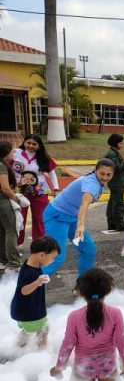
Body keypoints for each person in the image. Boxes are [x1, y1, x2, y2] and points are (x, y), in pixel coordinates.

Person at [50, 268, 124, 381]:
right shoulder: (115, 314)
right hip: (107, 364)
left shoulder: (74, 316)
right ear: (110, 289)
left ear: (80, 292)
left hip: (84, 365)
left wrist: (59, 366)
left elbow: (68, 344)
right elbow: (121, 340)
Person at [43, 159, 115, 278]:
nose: (105, 177)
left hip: (72, 216)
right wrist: (80, 226)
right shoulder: (91, 183)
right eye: (102, 173)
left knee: (88, 249)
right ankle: (28, 285)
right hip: (57, 216)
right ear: (95, 170)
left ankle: (83, 284)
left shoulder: (96, 181)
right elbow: (84, 203)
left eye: (109, 174)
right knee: (56, 256)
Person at [11, 236, 59, 348]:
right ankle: (41, 351)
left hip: (22, 310)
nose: (53, 261)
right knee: (44, 329)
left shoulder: (29, 263)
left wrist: (38, 281)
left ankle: (18, 348)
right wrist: (37, 282)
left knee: (27, 330)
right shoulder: (30, 272)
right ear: (42, 255)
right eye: (52, 258)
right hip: (30, 312)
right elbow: (23, 291)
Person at [12, 134, 60, 244]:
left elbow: (52, 174)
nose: (31, 146)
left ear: (39, 145)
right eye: (28, 143)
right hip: (20, 193)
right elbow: (7, 168)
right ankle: (17, 244)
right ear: (24, 142)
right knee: (19, 219)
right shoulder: (15, 153)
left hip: (40, 193)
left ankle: (38, 245)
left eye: (34, 144)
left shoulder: (44, 157)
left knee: (39, 219)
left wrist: (56, 189)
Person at [0, 141, 22, 271]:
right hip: (4, 202)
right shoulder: (1, 166)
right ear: (5, 152)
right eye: (12, 151)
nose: (13, 153)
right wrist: (16, 199)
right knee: (10, 231)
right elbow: (5, 188)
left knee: (3, 231)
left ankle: (3, 260)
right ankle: (14, 262)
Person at [104, 134, 124, 231]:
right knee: (118, 203)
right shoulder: (112, 154)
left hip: (116, 182)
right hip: (117, 182)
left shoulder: (114, 152)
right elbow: (116, 168)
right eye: (121, 143)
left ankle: (112, 223)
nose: (122, 145)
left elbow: (119, 166)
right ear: (115, 143)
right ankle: (119, 224)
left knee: (113, 202)